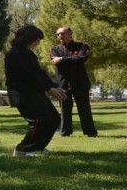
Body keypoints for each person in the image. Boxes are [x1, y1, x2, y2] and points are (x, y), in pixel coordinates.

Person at [6, 24, 68, 156]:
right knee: (39, 120)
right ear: (28, 38)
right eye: (37, 40)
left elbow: (39, 73)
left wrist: (54, 86)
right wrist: (48, 89)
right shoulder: (16, 54)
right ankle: (22, 149)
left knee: (54, 118)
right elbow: (29, 75)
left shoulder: (27, 53)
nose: (38, 43)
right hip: (22, 93)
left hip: (34, 91)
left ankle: (38, 147)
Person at [51, 27, 98, 137]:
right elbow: (55, 62)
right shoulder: (54, 49)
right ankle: (65, 132)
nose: (60, 36)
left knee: (84, 108)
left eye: (62, 33)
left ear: (70, 33)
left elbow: (82, 58)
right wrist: (73, 58)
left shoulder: (82, 46)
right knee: (64, 109)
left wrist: (62, 59)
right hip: (63, 83)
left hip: (80, 82)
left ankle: (90, 132)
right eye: (57, 34)